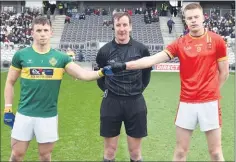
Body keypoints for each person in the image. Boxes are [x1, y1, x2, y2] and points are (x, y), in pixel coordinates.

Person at [108, 3, 229, 161]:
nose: (193, 20)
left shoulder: (217, 40)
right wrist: (125, 65)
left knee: (215, 153)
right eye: (189, 18)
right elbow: (152, 59)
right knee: (180, 152)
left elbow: (224, 72)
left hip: (210, 103)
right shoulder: (180, 43)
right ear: (185, 20)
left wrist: (212, 92)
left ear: (203, 18)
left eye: (196, 17)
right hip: (187, 103)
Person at [3, 16, 112, 161]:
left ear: (51, 32)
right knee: (16, 155)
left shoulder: (61, 58)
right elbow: (10, 82)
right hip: (24, 114)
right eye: (39, 30)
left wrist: (102, 72)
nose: (42, 33)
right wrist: (8, 108)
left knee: (45, 156)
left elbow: (84, 75)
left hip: (48, 116)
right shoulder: (21, 55)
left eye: (45, 30)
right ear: (32, 32)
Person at [96, 12, 152, 162]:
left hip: (135, 103)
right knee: (109, 151)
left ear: (131, 27)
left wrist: (136, 91)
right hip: (111, 103)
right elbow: (100, 78)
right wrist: (111, 91)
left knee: (135, 153)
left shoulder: (141, 50)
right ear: (113, 27)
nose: (122, 29)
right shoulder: (104, 51)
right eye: (118, 25)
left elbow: (146, 76)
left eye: (125, 25)